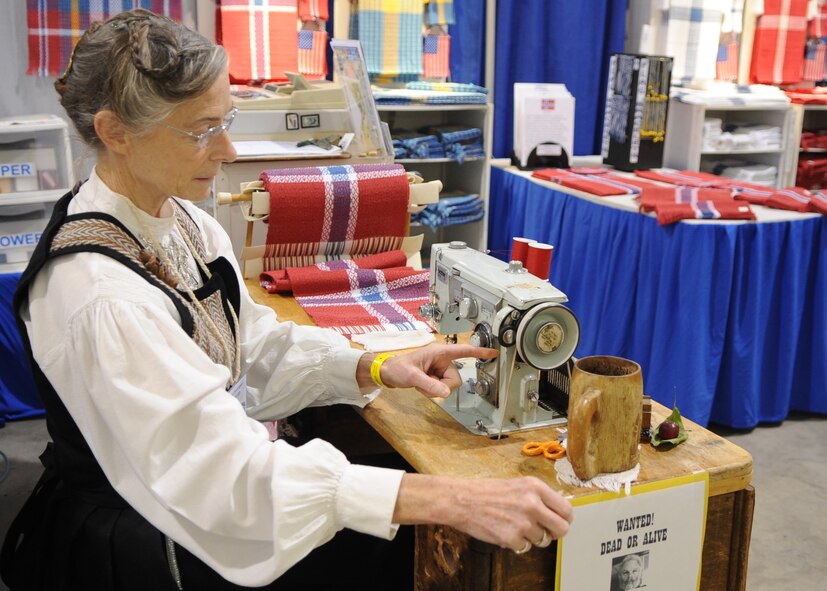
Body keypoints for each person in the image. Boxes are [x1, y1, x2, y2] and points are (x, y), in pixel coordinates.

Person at [0, 9, 573, 591]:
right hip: (149, 539)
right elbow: (223, 475)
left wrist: (373, 364)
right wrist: (449, 496)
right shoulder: (101, 295)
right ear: (114, 132)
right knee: (423, 548)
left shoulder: (182, 226)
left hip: (197, 493)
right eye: (201, 131)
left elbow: (253, 345)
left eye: (228, 120)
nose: (226, 149)